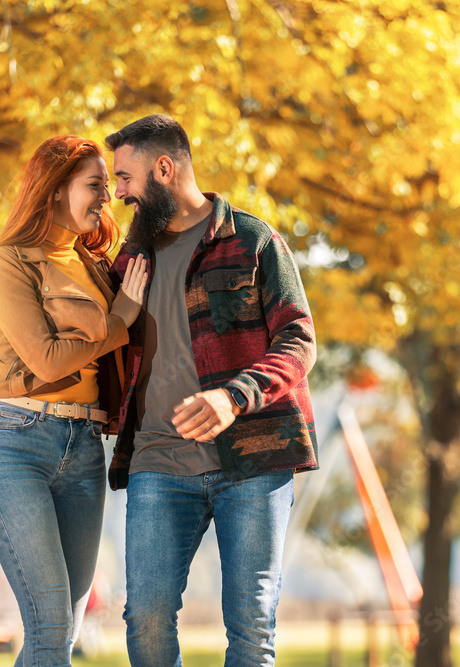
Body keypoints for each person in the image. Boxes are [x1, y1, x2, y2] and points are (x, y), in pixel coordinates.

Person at [104, 114, 318, 667]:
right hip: (157, 460)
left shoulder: (252, 240)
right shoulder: (130, 258)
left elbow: (299, 339)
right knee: (145, 619)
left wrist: (235, 395)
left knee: (250, 628)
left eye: (125, 178)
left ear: (164, 168)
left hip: (254, 461)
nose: (118, 192)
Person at [0, 135, 148, 667]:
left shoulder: (96, 265)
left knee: (62, 633)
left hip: (85, 448)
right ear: (52, 191)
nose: (105, 197)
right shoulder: (6, 262)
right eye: (94, 185)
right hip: (13, 444)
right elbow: (47, 360)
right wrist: (118, 322)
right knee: (49, 625)